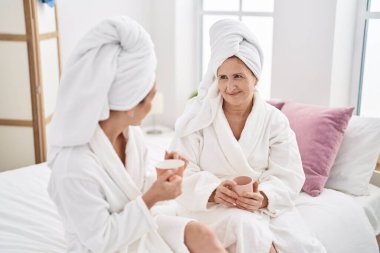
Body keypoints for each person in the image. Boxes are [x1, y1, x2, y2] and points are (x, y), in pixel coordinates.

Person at [47, 16, 226, 253]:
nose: (154, 102)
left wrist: (166, 178)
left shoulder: (131, 134)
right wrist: (152, 197)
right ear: (130, 102)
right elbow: (102, 240)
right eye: (151, 95)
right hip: (106, 245)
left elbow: (134, 188)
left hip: (136, 229)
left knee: (202, 233)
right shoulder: (74, 166)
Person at [170, 19, 327, 253]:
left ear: (256, 77)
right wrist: (213, 190)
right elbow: (180, 171)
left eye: (238, 76)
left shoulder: (274, 121)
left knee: (301, 245)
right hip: (209, 207)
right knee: (246, 227)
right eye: (222, 77)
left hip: (263, 207)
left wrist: (264, 197)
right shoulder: (198, 117)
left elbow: (289, 174)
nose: (229, 86)